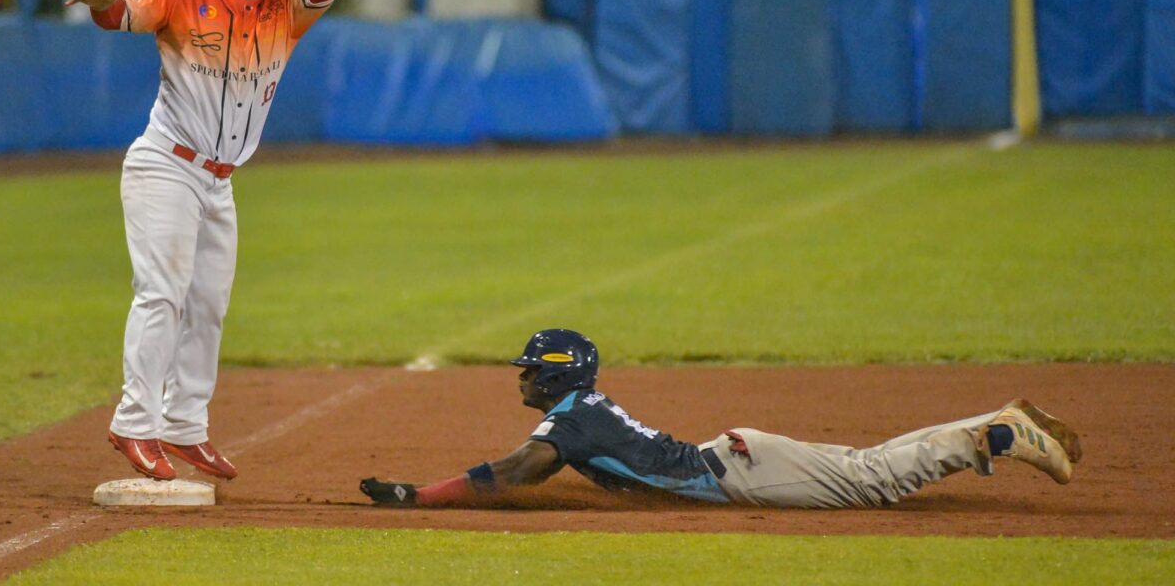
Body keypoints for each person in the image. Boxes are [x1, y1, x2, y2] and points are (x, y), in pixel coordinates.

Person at [66, 0, 369, 483]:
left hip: (220, 180)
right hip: (165, 166)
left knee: (207, 306)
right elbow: (124, 14)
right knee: (163, 294)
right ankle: (134, 424)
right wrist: (101, 7)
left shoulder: (288, 9)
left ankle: (184, 428)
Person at [360, 329, 1082, 509]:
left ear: (555, 373)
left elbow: (519, 472)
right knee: (866, 466)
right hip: (734, 457)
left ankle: (997, 435)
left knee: (871, 482)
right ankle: (992, 421)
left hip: (738, 470)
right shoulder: (581, 410)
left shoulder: (568, 424)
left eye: (528, 366)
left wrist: (417, 495)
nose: (519, 375)